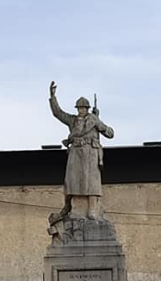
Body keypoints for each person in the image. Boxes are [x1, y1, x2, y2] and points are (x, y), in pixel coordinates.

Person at [49, 81, 114, 218]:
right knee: (72, 181)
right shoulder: (72, 120)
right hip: (76, 153)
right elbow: (58, 113)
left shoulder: (94, 120)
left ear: (87, 108)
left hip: (91, 153)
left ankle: (92, 209)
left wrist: (100, 122)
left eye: (83, 108)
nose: (81, 110)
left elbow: (110, 134)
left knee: (91, 182)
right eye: (79, 108)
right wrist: (53, 97)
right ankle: (72, 207)